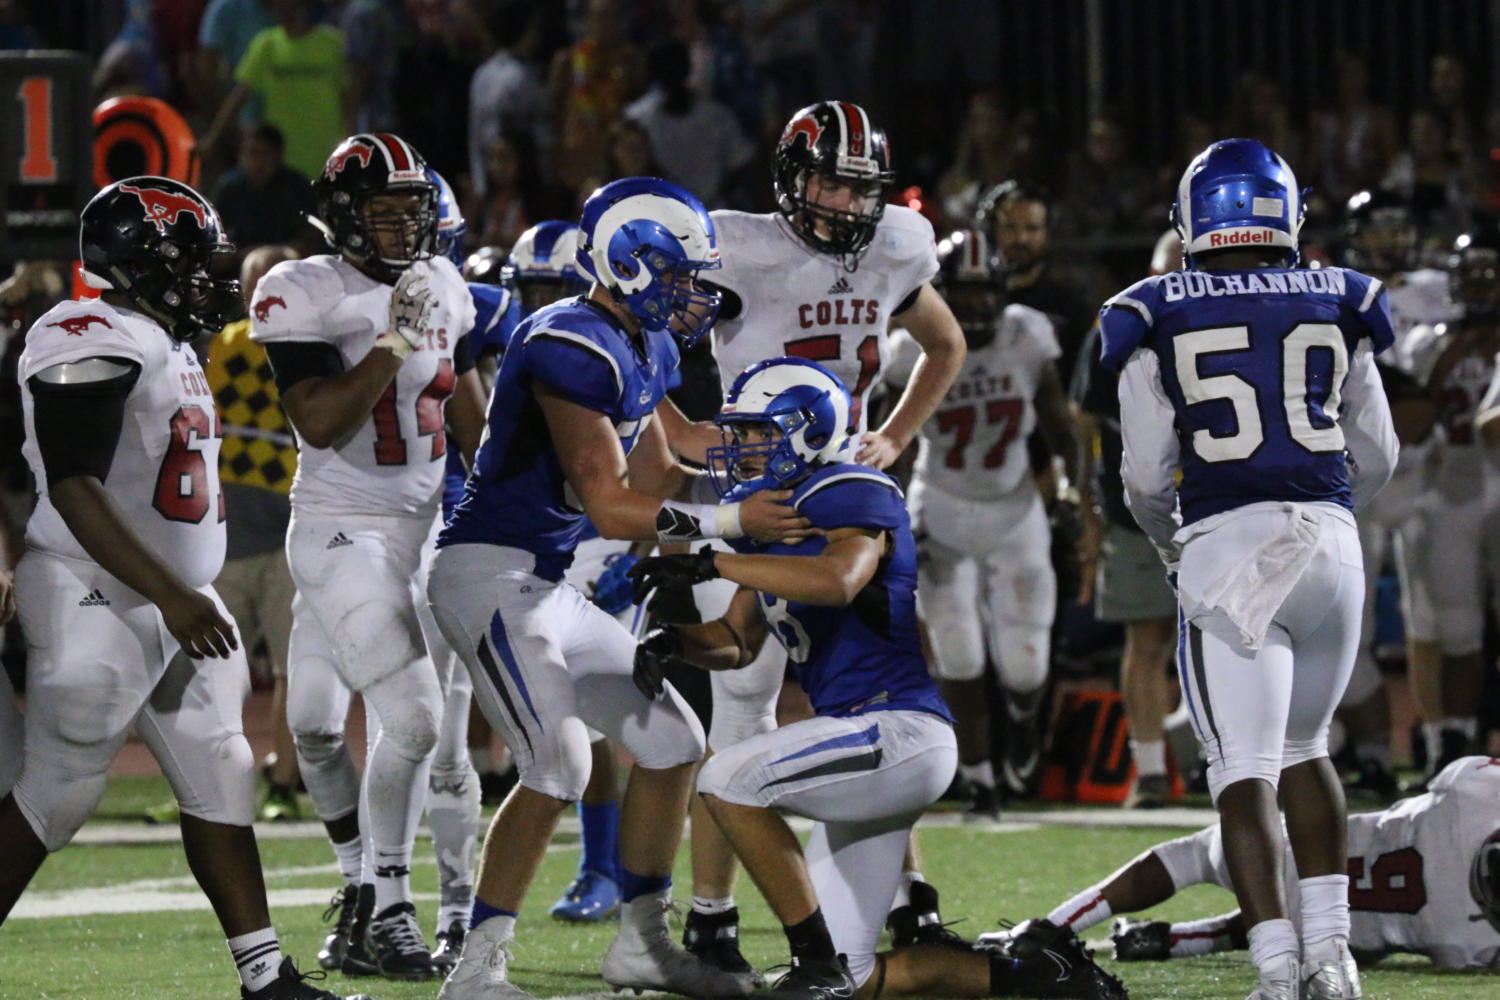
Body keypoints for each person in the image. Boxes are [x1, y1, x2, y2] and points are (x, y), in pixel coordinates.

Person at [627, 357, 1125, 1000]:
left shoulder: (851, 489)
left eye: (755, 432)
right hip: (862, 742)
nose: (740, 448)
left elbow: (837, 581)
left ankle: (813, 960)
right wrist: (674, 640)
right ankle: (1045, 977)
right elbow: (736, 643)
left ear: (804, 431)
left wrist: (714, 562)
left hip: (897, 728)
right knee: (860, 981)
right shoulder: (767, 524)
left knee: (728, 778)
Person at [427, 176, 808, 1000]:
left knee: (673, 743)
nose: (699, 294)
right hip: (485, 573)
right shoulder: (570, 340)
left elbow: (673, 454)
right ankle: (475, 970)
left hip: (546, 582)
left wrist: (790, 450)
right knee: (556, 762)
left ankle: (641, 944)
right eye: (685, 274)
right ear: (633, 264)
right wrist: (731, 526)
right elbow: (609, 500)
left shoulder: (645, 342)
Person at [0, 175, 366, 1000]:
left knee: (223, 767)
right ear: (140, 262)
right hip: (100, 591)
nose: (211, 279)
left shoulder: (164, 340)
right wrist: (170, 593)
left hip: (175, 600)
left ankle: (265, 976)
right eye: (194, 262)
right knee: (58, 792)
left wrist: (178, 595)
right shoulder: (84, 329)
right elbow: (73, 485)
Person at [652, 99, 968, 975]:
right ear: (791, 177)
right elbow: (645, 343)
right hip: (756, 491)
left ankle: (910, 903)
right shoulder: (733, 245)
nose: (842, 201)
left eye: (859, 186)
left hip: (843, 494)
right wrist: (687, 439)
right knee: (743, 696)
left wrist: (896, 437)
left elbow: (943, 343)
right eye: (829, 179)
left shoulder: (899, 243)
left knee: (870, 697)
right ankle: (712, 917)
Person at [1102, 138, 1400, 1000]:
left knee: (1242, 771)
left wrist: (1176, 544)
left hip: (1230, 546)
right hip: (1333, 544)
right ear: (1286, 211)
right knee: (1310, 749)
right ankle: (1331, 957)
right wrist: (1328, 510)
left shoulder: (1151, 308)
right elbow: (1376, 451)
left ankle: (1276, 971)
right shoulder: (1342, 294)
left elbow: (1148, 476)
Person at [250, 132, 487, 981]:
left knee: (344, 724)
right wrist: (390, 340)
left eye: (410, 210)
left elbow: (464, 407)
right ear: (342, 215)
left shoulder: (443, 285)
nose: (398, 227)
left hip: (420, 532)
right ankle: (384, 902)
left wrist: (495, 499)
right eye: (381, 211)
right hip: (341, 526)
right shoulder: (301, 287)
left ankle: (365, 901)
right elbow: (319, 419)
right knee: (390, 723)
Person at [884, 229, 1077, 818]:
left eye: (981, 293)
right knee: (959, 653)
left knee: (1026, 662)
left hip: (1015, 508)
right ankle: (980, 778)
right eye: (959, 297)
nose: (972, 307)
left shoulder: (1026, 334)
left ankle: (1020, 723)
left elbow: (1057, 421)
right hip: (941, 504)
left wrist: (1071, 490)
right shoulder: (905, 350)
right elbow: (889, 440)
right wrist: (892, 512)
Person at [979, 755, 1500, 972]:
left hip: (1303, 851)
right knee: (1365, 940)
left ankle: (1054, 925)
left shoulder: (1478, 796)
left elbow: (1460, 771)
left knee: (1190, 857)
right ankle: (1183, 940)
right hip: (1337, 936)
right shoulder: (1471, 942)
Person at [1073, 231, 1183, 809]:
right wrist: (1088, 507)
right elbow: (1085, 420)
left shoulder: (1228, 322)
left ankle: (1235, 764)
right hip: (1135, 511)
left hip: (1217, 509)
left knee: (1227, 641)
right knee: (1146, 638)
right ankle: (1149, 769)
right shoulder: (1117, 329)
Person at [1397, 229, 1500, 786]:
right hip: (1446, 487)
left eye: (1492, 274)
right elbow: (1409, 415)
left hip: (1494, 482)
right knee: (1454, 626)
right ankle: (1454, 743)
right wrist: (1448, 357)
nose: (1483, 286)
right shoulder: (1426, 341)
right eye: (1474, 275)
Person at [206, 242, 303, 823]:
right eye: (258, 282)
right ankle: (214, 787)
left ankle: (282, 783)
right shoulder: (227, 343)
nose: (265, 292)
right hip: (225, 537)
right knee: (211, 677)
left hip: (287, 536)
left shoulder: (308, 350)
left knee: (295, 671)